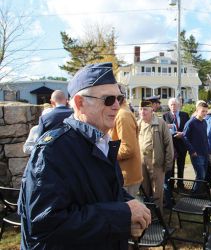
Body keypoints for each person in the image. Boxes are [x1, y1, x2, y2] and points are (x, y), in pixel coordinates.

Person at [18, 62, 151, 249]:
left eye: (119, 99)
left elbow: (104, 192)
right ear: (80, 103)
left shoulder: (102, 141)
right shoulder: (52, 151)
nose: (116, 106)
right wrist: (122, 215)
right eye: (108, 99)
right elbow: (45, 225)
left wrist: (133, 210)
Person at [138, 100, 174, 212]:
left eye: (145, 109)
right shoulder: (138, 123)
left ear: (151, 110)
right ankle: (148, 216)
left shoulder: (160, 122)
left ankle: (159, 219)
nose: (142, 112)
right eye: (140, 109)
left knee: (157, 192)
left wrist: (168, 164)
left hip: (156, 163)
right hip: (142, 163)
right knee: (145, 190)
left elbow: (169, 144)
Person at [110, 95, 143, 196]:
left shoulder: (122, 115)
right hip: (124, 174)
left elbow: (127, 149)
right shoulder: (121, 112)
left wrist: (106, 156)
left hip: (126, 177)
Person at [183, 101, 209, 192]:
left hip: (205, 152)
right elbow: (185, 138)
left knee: (203, 175)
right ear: (197, 111)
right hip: (196, 154)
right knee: (200, 175)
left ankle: (198, 193)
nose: (205, 113)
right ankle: (194, 194)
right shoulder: (191, 123)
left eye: (206, 111)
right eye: (203, 111)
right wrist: (192, 150)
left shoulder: (205, 122)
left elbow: (204, 137)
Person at [162, 98, 190, 181]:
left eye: (175, 104)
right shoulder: (165, 116)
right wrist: (166, 127)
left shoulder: (185, 115)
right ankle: (171, 185)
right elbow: (162, 130)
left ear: (178, 105)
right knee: (171, 166)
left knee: (181, 165)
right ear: (169, 106)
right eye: (171, 105)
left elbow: (188, 129)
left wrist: (182, 134)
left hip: (182, 144)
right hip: (171, 145)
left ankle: (180, 184)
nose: (173, 106)